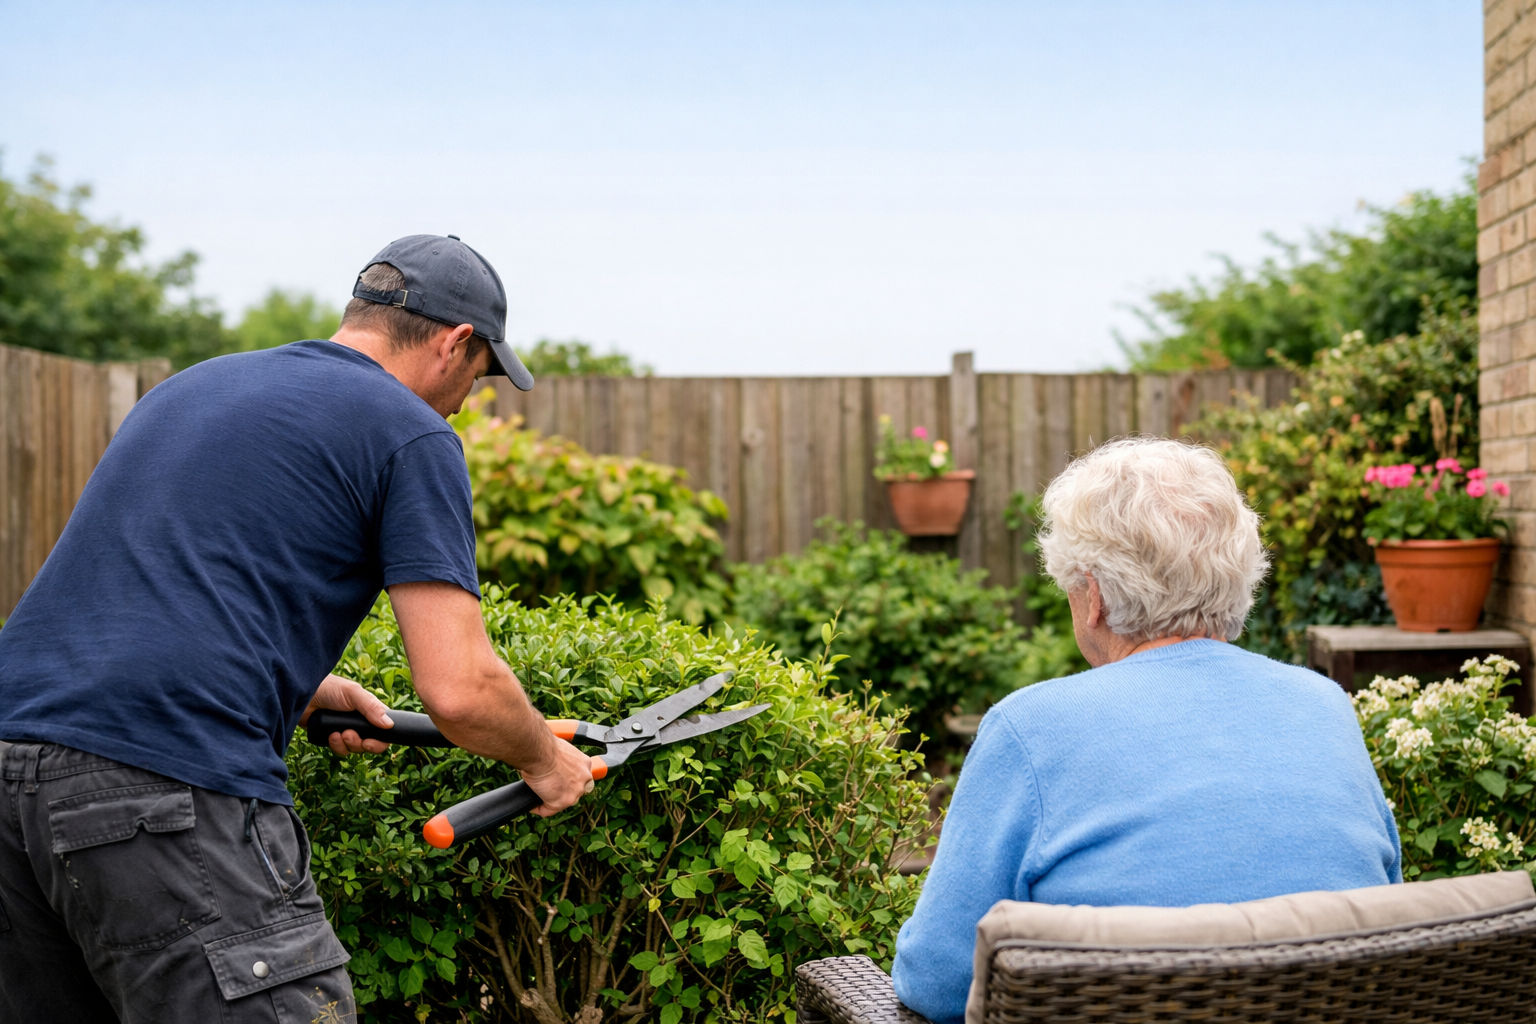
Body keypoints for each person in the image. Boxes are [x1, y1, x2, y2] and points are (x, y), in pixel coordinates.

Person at [0, 234, 597, 1022]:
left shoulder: (190, 389)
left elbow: (143, 586)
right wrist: (544, 761)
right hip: (163, 785)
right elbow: (460, 689)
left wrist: (291, 680)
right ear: (457, 343)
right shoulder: (409, 430)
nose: (464, 401)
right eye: (481, 376)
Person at [890, 436, 1401, 1024]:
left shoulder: (1030, 729)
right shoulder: (1324, 706)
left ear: (1096, 599)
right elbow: (1380, 915)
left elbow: (937, 981)